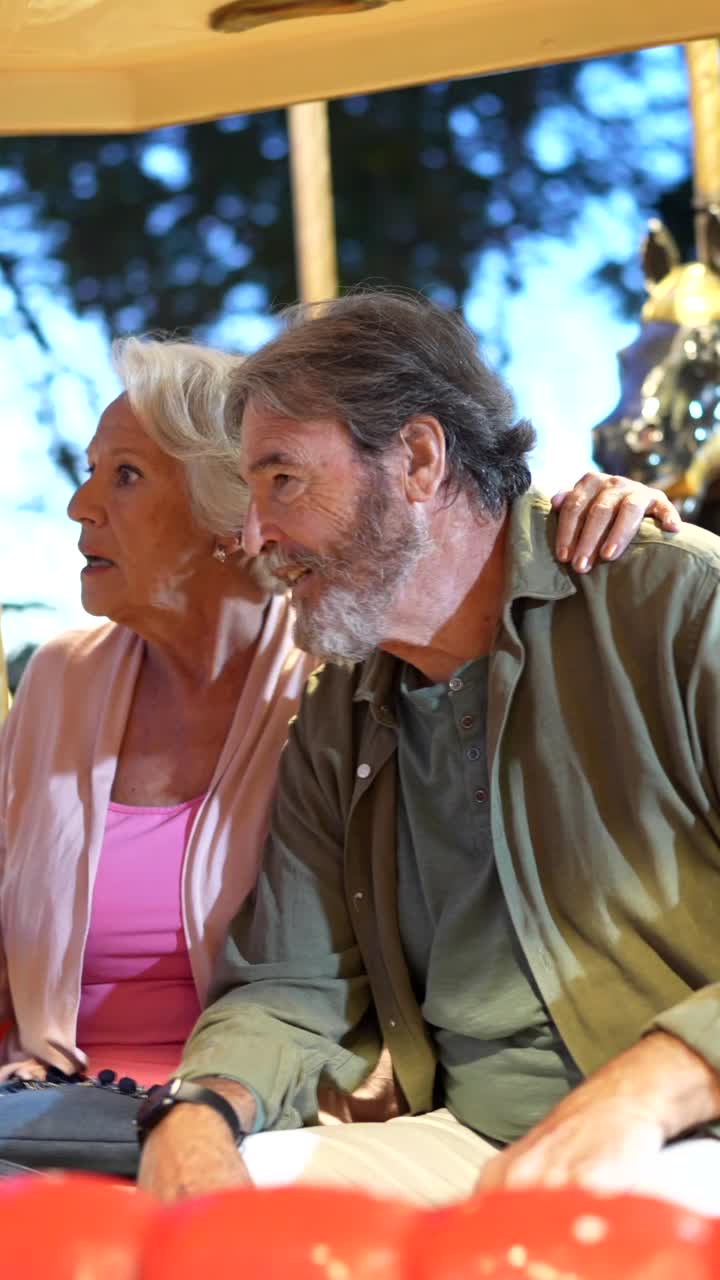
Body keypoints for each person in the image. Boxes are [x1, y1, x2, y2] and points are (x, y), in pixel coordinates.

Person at [135, 290, 720, 1213]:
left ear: (416, 458)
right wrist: (199, 1116)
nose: (254, 538)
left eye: (282, 479)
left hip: (690, 1130)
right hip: (474, 1146)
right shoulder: (340, 711)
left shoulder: (677, 603)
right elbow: (289, 982)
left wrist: (648, 1088)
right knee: (210, 1217)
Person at [0, 336, 317, 1174]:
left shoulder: (330, 689)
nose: (79, 505)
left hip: (245, 1123)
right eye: (89, 470)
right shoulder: (57, 679)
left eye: (125, 475)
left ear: (233, 515)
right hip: (41, 1110)